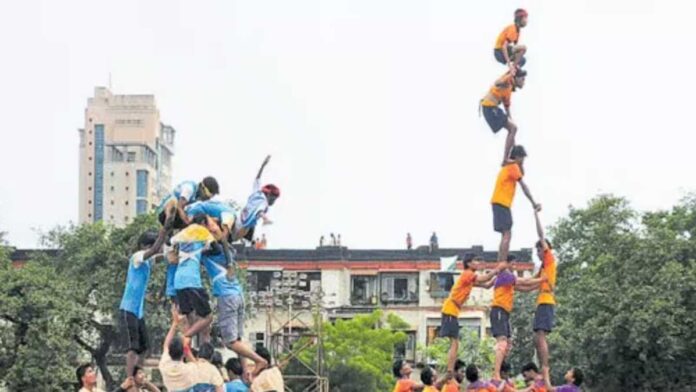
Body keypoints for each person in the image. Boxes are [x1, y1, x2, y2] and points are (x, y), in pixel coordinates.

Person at [199, 234, 269, 376]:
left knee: (230, 342)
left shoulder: (208, 256)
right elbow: (222, 245)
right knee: (237, 340)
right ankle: (244, 374)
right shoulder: (228, 254)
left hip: (227, 297)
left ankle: (259, 361)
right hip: (238, 296)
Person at [487, 255, 546, 381]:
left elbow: (526, 287)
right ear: (506, 264)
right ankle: (496, 373)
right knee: (502, 342)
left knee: (508, 345)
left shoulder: (510, 281)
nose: (514, 267)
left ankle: (501, 370)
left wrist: (541, 278)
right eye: (512, 264)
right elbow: (525, 282)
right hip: (498, 310)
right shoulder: (505, 275)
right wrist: (542, 279)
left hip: (505, 313)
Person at [440, 254, 502, 374]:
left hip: (452, 311)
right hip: (450, 310)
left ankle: (450, 368)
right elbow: (484, 279)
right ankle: (449, 370)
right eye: (475, 261)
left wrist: (497, 277)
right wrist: (497, 270)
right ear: (468, 263)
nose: (477, 263)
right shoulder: (468, 273)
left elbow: (487, 285)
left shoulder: (470, 278)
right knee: (454, 342)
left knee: (455, 342)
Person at [118, 230, 166, 378]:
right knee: (133, 348)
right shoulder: (137, 257)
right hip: (128, 309)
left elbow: (161, 258)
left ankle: (137, 373)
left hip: (138, 312)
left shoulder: (147, 261)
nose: (157, 250)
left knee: (145, 347)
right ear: (145, 245)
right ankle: (130, 380)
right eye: (154, 247)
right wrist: (163, 231)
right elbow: (152, 252)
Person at [170, 219, 216, 350]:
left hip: (178, 281)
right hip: (192, 281)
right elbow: (215, 248)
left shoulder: (183, 234)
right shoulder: (201, 231)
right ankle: (185, 338)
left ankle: (189, 353)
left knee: (192, 319)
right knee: (207, 317)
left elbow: (170, 242)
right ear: (203, 222)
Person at [490, 145, 541, 263]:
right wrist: (534, 203)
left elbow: (522, 173)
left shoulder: (509, 167)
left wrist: (519, 163)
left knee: (505, 234)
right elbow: (524, 186)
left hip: (498, 202)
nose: (523, 161)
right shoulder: (512, 166)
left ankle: (500, 261)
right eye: (522, 158)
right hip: (502, 202)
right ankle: (502, 262)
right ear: (518, 156)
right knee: (507, 233)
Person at [480, 71, 527, 165]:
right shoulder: (508, 80)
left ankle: (508, 156)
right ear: (516, 78)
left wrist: (512, 130)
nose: (523, 82)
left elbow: (507, 109)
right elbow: (497, 82)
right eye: (522, 79)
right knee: (513, 128)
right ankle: (505, 159)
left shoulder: (508, 92)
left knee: (513, 129)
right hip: (489, 107)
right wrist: (510, 74)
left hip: (492, 109)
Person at [234, 155, 280, 243]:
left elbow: (257, 178)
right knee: (251, 227)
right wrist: (265, 219)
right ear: (269, 196)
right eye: (273, 200)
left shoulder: (258, 192)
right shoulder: (263, 203)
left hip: (239, 216)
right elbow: (260, 211)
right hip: (242, 226)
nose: (273, 203)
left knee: (252, 226)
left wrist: (263, 165)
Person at [533, 211, 557, 369]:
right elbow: (530, 283)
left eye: (539, 251)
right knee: (537, 337)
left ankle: (545, 368)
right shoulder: (542, 269)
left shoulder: (549, 259)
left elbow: (541, 235)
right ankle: (543, 365)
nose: (538, 254)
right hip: (542, 302)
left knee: (540, 336)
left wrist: (536, 214)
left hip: (546, 301)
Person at [158, 307, 197, 391]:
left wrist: (175, 323)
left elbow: (165, 345)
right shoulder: (188, 369)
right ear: (183, 353)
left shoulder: (164, 365)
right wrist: (187, 349)